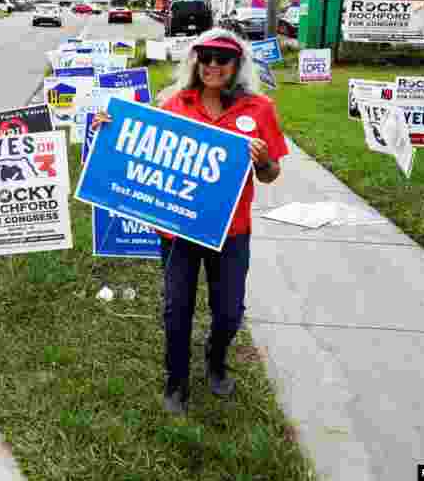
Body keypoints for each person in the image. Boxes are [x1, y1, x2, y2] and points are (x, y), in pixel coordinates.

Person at [93, 28, 288, 415]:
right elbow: (139, 146)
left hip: (232, 231)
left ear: (237, 64)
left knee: (229, 311)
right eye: (206, 57)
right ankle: (176, 381)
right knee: (176, 307)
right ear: (195, 60)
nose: (213, 65)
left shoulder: (259, 108)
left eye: (223, 58)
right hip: (178, 229)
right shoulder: (173, 104)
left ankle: (216, 361)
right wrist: (111, 132)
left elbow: (270, 174)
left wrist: (263, 160)